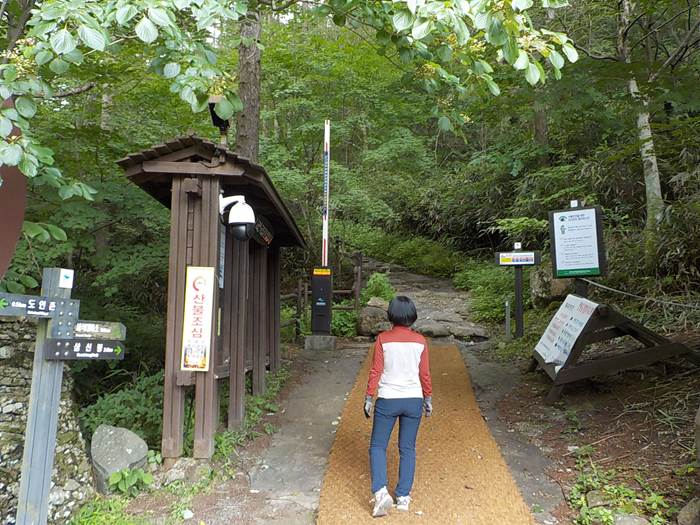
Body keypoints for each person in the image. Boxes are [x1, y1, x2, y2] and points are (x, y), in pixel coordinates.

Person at [363, 295, 432, 518]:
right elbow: (424, 374)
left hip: (388, 399)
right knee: (408, 448)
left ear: (390, 315)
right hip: (413, 399)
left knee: (377, 446)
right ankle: (403, 496)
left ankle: (381, 492)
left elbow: (376, 370)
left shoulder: (383, 339)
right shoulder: (421, 341)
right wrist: (428, 398)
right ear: (412, 316)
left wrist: (368, 397)